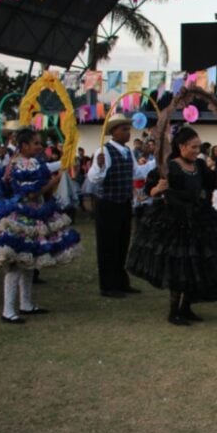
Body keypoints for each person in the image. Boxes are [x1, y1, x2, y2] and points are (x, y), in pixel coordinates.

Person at [126, 127, 217, 325]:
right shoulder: (169, 166)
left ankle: (186, 307)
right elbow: (150, 190)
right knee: (178, 266)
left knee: (195, 265)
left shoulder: (199, 164)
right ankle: (174, 311)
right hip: (175, 221)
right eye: (193, 146)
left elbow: (210, 182)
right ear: (181, 146)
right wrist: (158, 188)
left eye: (198, 146)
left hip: (199, 217)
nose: (196, 150)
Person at [0, 128, 81, 323]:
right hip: (21, 217)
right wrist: (55, 180)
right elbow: (30, 194)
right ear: (24, 146)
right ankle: (8, 310)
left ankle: (26, 304)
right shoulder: (19, 166)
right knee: (16, 263)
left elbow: (46, 169)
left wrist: (66, 159)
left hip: (32, 217)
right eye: (36, 143)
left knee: (29, 261)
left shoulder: (30, 162)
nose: (40, 147)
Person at [86, 114, 156, 298]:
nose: (128, 132)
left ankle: (121, 282)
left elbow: (137, 173)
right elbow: (94, 178)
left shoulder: (127, 152)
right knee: (107, 245)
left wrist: (154, 163)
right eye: (124, 129)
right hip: (108, 204)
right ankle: (108, 285)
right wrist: (99, 167)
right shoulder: (104, 151)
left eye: (128, 129)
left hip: (124, 203)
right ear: (113, 131)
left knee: (122, 244)